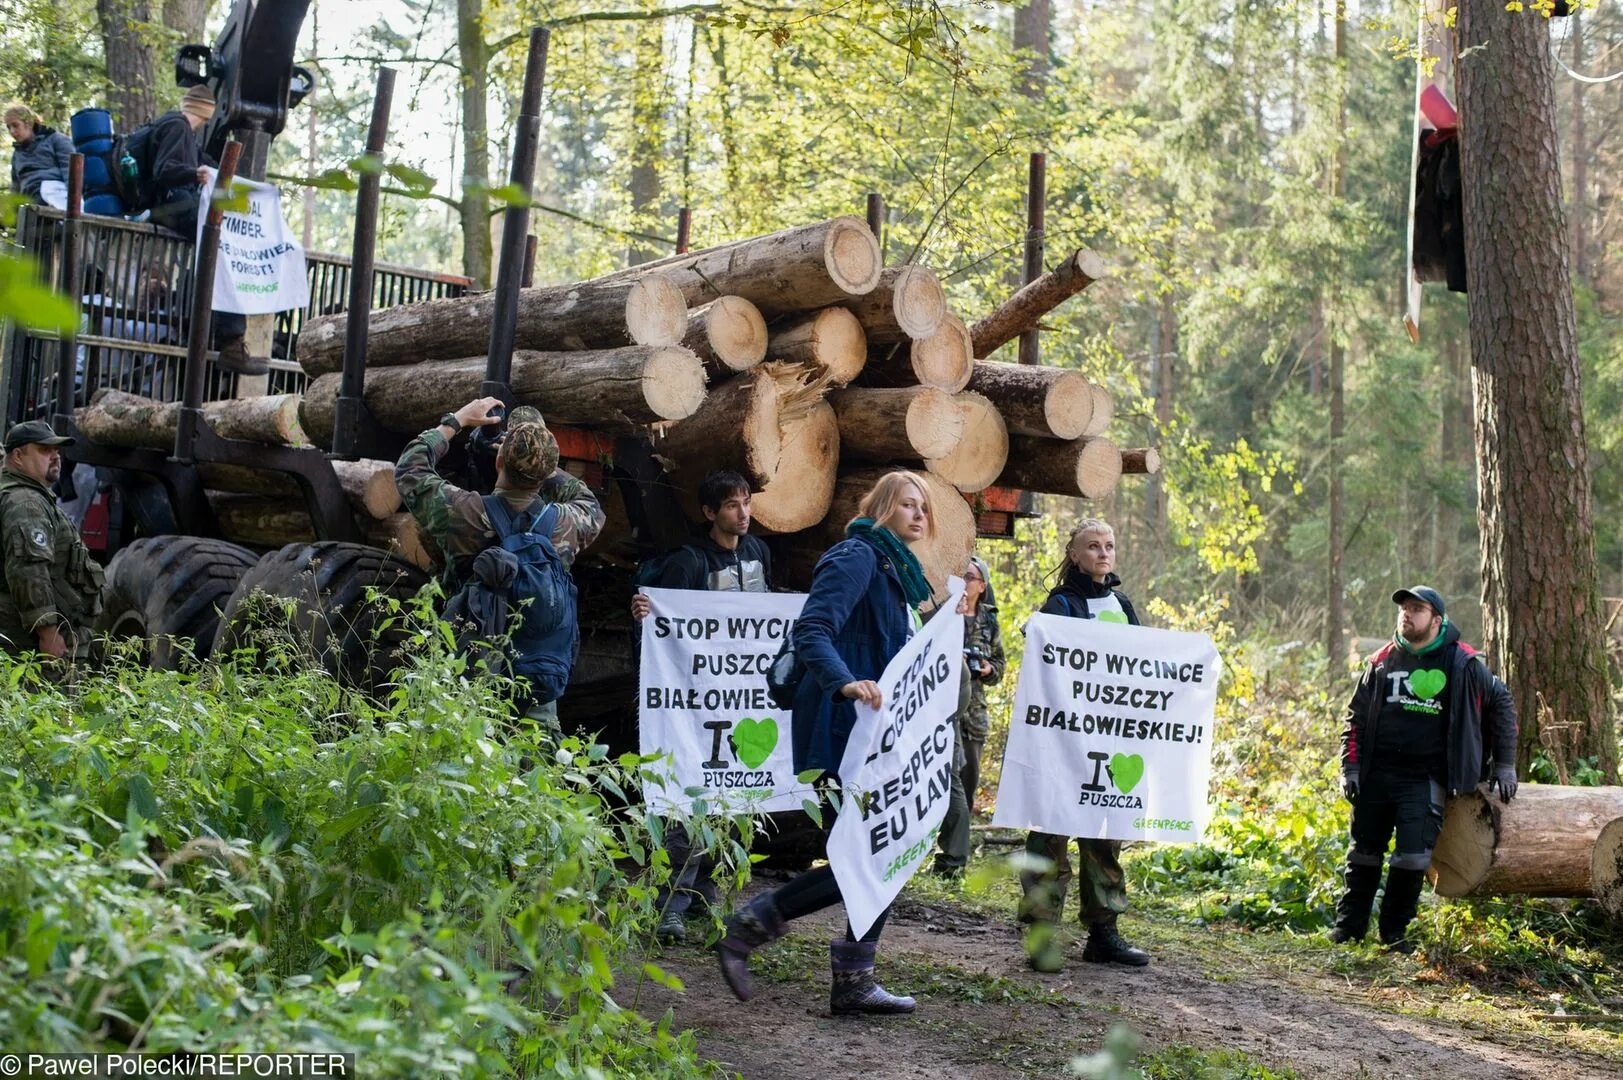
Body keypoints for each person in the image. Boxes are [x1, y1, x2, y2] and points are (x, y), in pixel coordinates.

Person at [716, 470, 937, 1016]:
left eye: (924, 508)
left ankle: (854, 979)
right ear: (883, 506)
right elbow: (812, 630)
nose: (919, 515)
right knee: (862, 856)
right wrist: (843, 681)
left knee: (881, 853)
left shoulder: (901, 576)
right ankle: (750, 926)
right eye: (908, 504)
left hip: (875, 738)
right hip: (838, 729)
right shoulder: (857, 556)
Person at [394, 397, 604, 729]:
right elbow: (587, 500)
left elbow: (410, 468)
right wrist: (542, 461)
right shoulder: (566, 525)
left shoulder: (464, 513)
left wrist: (458, 420)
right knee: (533, 773)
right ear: (547, 471)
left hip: (467, 678)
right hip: (536, 681)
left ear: (498, 461)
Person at [1333, 586, 1518, 952]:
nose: (1407, 614)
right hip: (1375, 775)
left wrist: (1506, 763)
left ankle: (1394, 934)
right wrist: (1349, 767)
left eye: (1416, 609)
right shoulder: (1382, 660)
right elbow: (1355, 719)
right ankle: (1348, 930)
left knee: (1413, 857)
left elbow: (1502, 702)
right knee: (1363, 853)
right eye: (1403, 608)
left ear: (1436, 619)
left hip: (1426, 779)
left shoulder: (1462, 662)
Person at [630, 470, 774, 943]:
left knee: (733, 798)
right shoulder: (689, 562)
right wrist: (647, 618)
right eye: (732, 505)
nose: (744, 512)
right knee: (689, 798)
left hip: (743, 701)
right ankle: (670, 902)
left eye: (747, 502)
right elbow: (665, 630)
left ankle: (708, 894)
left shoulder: (759, 554)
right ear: (711, 513)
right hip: (694, 702)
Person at [1017, 518, 1150, 972]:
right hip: (1061, 743)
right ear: (1074, 555)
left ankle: (1104, 932)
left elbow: (1142, 665)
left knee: (1104, 837)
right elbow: (1041, 659)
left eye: (1109, 545)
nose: (1103, 553)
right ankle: (1041, 934)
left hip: (1108, 743)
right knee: (1049, 839)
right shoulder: (1061, 605)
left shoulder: (1122, 603)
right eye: (1093, 546)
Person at [138, 86, 257, 377]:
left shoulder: (180, 133)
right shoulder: (178, 127)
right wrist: (195, 174)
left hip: (169, 206)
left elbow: (208, 163)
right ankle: (230, 341)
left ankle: (209, 325)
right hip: (170, 207)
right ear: (205, 113)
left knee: (216, 248)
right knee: (224, 244)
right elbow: (165, 171)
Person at [0, 422, 106, 660]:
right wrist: (48, 633)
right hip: (28, 645)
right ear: (18, 456)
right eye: (45, 450)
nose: (55, 457)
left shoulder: (27, 496)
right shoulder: (26, 504)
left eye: (57, 451)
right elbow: (29, 570)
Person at [934, 555, 1005, 876]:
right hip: (941, 707)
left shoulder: (989, 621)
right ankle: (948, 855)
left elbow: (1000, 666)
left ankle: (953, 850)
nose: (965, 581)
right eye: (962, 575)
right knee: (945, 781)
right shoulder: (944, 613)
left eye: (971, 577)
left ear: (982, 585)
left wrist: (988, 669)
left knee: (967, 780)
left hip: (974, 711)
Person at [6, 103, 74, 202]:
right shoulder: (17, 156)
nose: (12, 131)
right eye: (9, 127)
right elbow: (16, 188)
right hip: (29, 202)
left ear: (28, 123)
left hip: (55, 196)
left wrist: (73, 205)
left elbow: (71, 172)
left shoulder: (56, 140)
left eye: (15, 125)